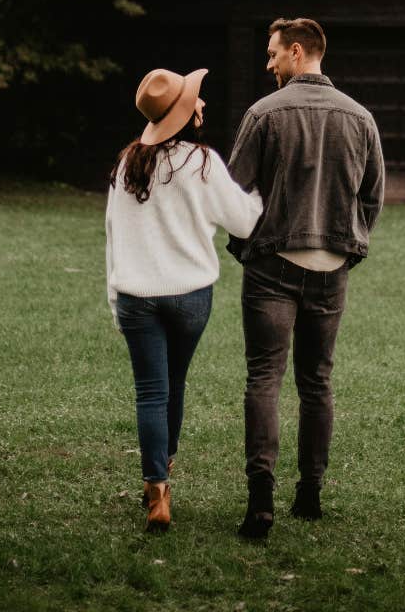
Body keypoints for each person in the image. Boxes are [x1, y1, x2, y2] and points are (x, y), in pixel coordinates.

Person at [226, 17, 385, 539]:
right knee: (316, 382)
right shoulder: (361, 118)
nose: (267, 63)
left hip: (272, 266)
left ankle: (260, 501)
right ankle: (310, 494)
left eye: (272, 54)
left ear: (297, 52)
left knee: (263, 379)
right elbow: (373, 197)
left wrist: (246, 246)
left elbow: (233, 195)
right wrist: (346, 245)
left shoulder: (263, 114)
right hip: (330, 270)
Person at [106, 66, 262, 532]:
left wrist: (114, 300)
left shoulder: (126, 164)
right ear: (182, 112)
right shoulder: (203, 163)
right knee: (173, 386)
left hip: (135, 295)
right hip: (190, 296)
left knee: (150, 392)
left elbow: (112, 237)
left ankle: (158, 490)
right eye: (196, 99)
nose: (202, 104)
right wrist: (262, 192)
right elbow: (246, 222)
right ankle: (164, 467)